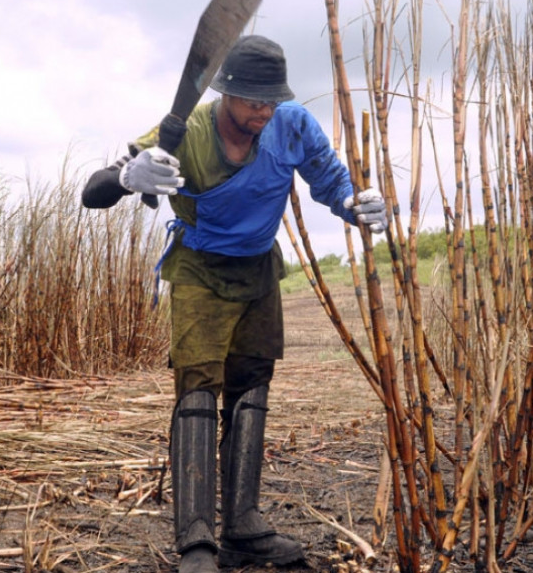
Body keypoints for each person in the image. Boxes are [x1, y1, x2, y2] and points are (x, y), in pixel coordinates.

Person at [81, 35, 387, 572]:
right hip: (200, 270)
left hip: (258, 269)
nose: (263, 112)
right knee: (198, 392)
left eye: (271, 101)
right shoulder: (186, 131)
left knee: (251, 388)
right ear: (225, 93)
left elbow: (329, 180)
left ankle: (242, 527)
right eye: (252, 102)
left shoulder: (291, 125)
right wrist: (129, 176)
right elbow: (93, 190)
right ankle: (197, 542)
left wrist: (355, 203)